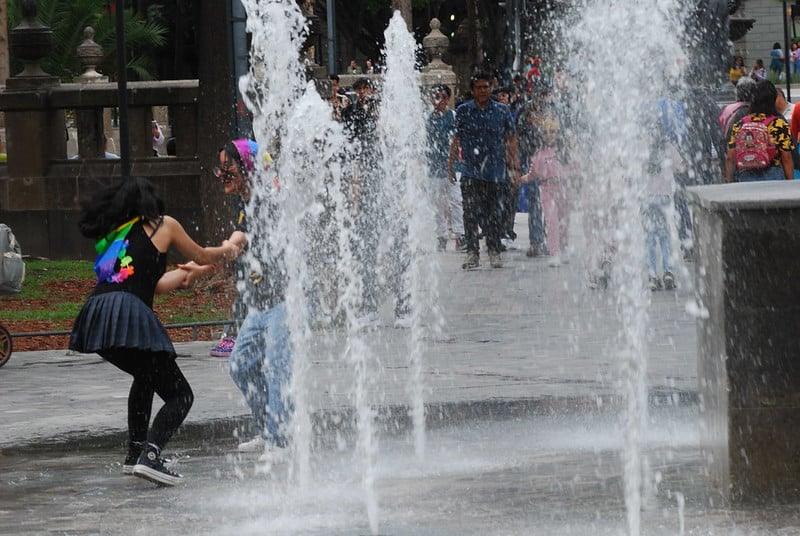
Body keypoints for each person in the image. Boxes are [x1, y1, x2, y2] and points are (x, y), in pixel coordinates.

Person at [68, 176, 242, 486]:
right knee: (181, 395)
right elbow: (203, 253)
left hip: (98, 315)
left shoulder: (119, 237)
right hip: (127, 313)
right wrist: (228, 248)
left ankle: (135, 454)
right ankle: (151, 455)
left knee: (146, 376)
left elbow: (156, 285)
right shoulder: (164, 224)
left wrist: (195, 272)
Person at [214, 139, 293, 456]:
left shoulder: (269, 200)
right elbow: (238, 240)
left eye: (227, 166)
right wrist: (204, 260)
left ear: (246, 165)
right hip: (263, 302)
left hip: (286, 299)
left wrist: (214, 254)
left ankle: (280, 439)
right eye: (220, 167)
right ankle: (269, 428)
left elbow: (238, 242)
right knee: (241, 364)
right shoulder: (249, 206)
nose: (222, 173)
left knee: (278, 369)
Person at [448, 72, 519, 270]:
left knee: (494, 214)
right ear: (472, 91)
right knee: (470, 213)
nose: (482, 91)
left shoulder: (502, 111)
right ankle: (472, 252)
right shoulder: (463, 111)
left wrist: (515, 167)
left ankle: (494, 250)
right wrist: (451, 165)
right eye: (478, 87)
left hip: (495, 171)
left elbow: (511, 139)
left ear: (490, 88)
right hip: (470, 171)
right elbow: (456, 140)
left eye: (486, 87)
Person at [518, 117, 572, 266]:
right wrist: (519, 179)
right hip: (547, 190)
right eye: (546, 132)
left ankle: (564, 248)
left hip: (564, 189)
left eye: (552, 132)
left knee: (564, 222)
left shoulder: (565, 151)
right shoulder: (539, 154)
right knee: (552, 221)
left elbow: (575, 170)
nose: (549, 135)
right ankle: (554, 252)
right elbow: (532, 174)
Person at [640, 121, 685, 291]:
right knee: (665, 236)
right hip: (664, 198)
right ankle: (668, 272)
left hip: (646, 198)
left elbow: (630, 171)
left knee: (649, 238)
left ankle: (652, 276)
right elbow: (681, 168)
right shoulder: (668, 147)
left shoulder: (642, 147)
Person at [725, 80, 795, 182]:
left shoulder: (740, 125)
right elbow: (786, 158)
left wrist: (729, 181)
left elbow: (730, 157)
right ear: (773, 100)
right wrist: (790, 183)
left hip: (747, 175)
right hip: (773, 175)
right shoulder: (778, 124)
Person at [426, 84, 465, 253]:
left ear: (448, 99)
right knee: (437, 204)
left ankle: (460, 235)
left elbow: (458, 140)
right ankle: (441, 235)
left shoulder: (454, 116)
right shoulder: (427, 118)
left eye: (441, 96)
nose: (438, 100)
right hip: (434, 168)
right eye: (435, 96)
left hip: (453, 166)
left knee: (456, 201)